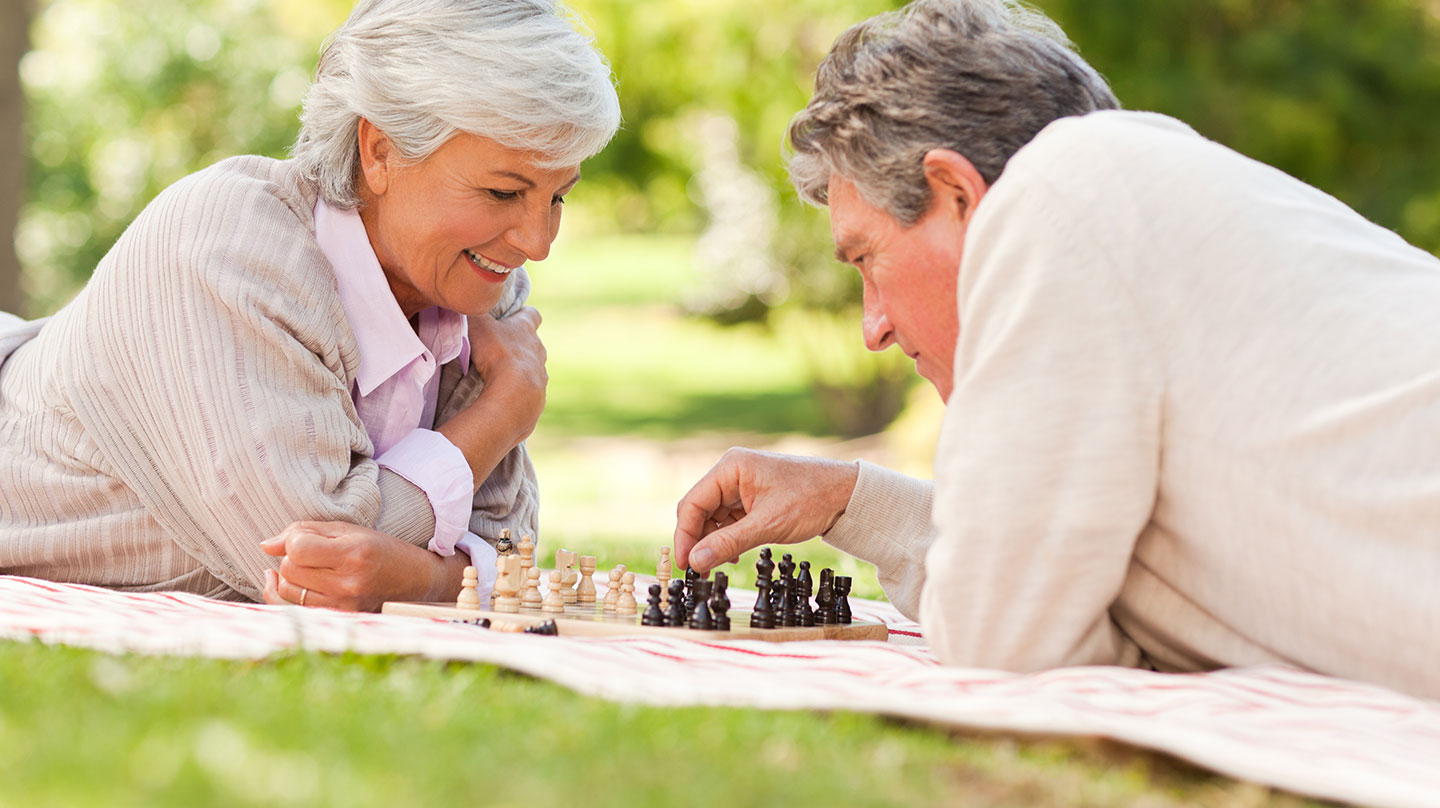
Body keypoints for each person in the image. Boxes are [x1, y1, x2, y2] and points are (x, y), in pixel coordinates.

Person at [673, 0, 1440, 700]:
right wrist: (850, 499)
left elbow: (1002, 643)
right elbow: (1047, 569)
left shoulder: (1058, 197)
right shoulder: (1129, 203)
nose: (873, 327)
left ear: (958, 194)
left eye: (867, 258)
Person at [0, 0, 620, 611]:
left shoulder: (477, 279)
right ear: (380, 152)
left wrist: (422, 579)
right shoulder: (229, 244)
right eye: (503, 192)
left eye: (558, 197)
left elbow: (506, 546)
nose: (537, 242)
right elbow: (304, 556)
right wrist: (500, 415)